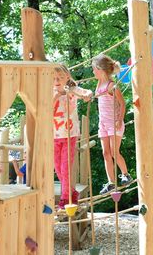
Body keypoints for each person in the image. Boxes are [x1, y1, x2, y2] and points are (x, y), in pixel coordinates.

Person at [92, 54, 133, 194]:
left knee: (114, 151)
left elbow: (122, 103)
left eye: (94, 69)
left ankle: (126, 175)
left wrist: (119, 120)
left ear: (100, 69)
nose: (93, 72)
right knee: (106, 153)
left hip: (114, 123)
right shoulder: (99, 84)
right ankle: (111, 182)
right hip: (103, 124)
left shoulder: (111, 86)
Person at [53, 64, 93, 209]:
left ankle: (66, 198)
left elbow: (85, 92)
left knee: (66, 167)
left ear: (67, 77)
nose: (57, 80)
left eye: (61, 77)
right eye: (54, 78)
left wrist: (87, 94)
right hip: (54, 135)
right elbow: (45, 108)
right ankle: (72, 192)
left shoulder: (72, 89)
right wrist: (57, 95)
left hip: (70, 134)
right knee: (57, 167)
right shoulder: (50, 92)